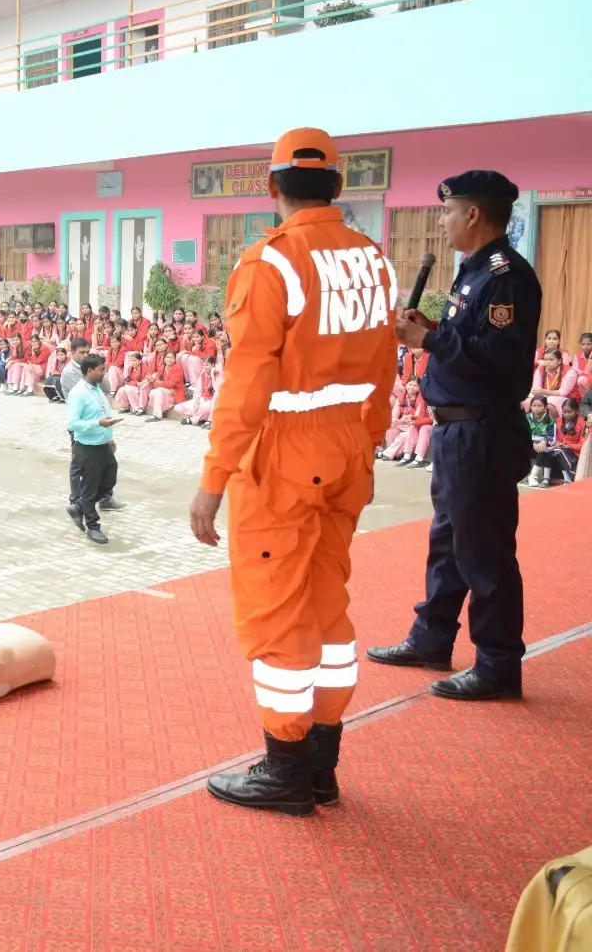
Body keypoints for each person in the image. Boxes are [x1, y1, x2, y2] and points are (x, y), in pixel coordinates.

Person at [188, 127, 398, 816]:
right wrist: (365, 445)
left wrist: (213, 481)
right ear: (339, 187)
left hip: (285, 455)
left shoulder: (270, 264)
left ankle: (284, 771)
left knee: (279, 612)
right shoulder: (374, 261)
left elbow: (246, 386)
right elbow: (381, 369)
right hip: (349, 452)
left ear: (272, 188)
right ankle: (321, 763)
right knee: (326, 603)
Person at [369, 170, 541, 702]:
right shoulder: (471, 274)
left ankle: (497, 664)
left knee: (483, 549)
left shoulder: (503, 276)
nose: (440, 220)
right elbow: (464, 340)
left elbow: (502, 361)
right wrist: (433, 332)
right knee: (447, 543)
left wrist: (431, 340)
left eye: (447, 211)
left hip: (480, 430)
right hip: (455, 428)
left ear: (472, 214)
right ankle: (432, 637)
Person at [66, 355, 126, 545]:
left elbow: (103, 415)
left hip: (103, 445)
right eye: (101, 370)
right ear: (90, 371)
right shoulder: (78, 393)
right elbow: (73, 423)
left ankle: (79, 506)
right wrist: (97, 423)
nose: (104, 373)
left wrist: (109, 439)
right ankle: (93, 526)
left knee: (110, 479)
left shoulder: (97, 389)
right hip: (87, 448)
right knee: (90, 489)